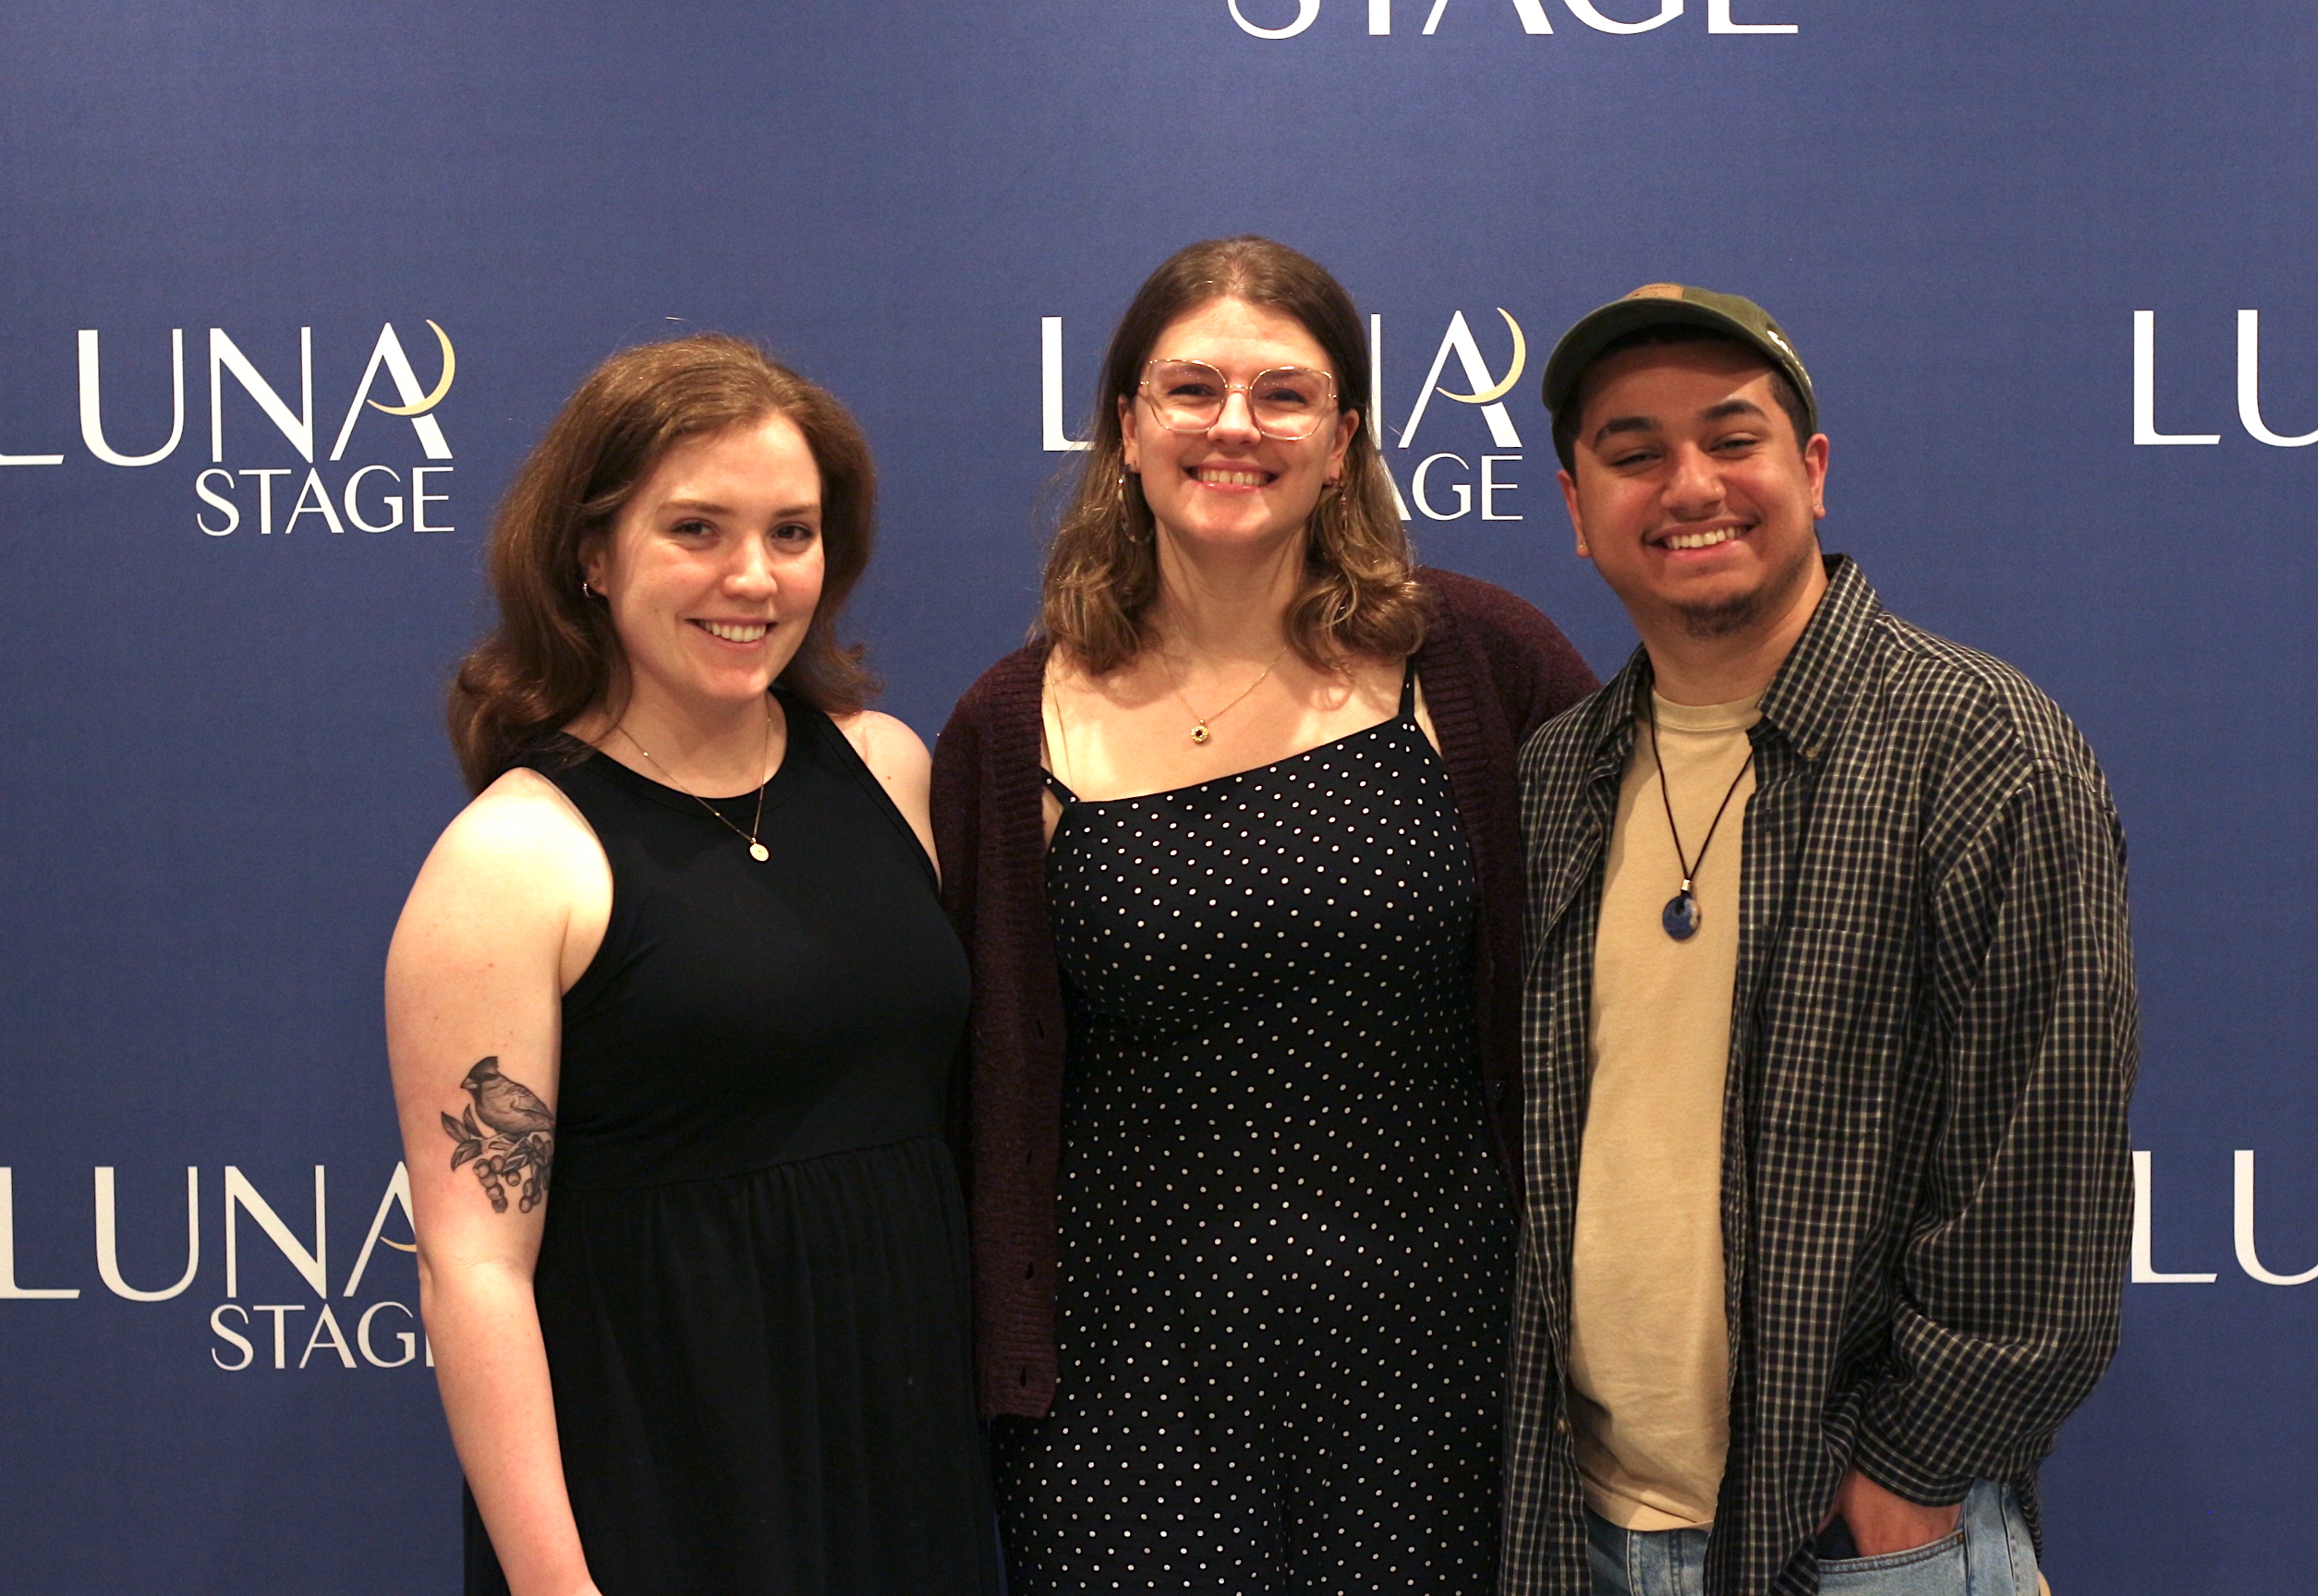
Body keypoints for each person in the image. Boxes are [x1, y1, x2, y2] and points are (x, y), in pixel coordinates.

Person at [932, 236, 1598, 1592]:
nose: (1234, 425)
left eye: (1284, 394)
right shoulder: (1009, 729)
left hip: (1443, 1369)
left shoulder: (1477, 662)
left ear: (1344, 441)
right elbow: (970, 1080)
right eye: (1191, 389)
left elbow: (1632, 947)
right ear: (1127, 429)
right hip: (1122, 1398)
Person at [1499, 284, 2137, 1596]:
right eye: (1634, 453)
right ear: (1575, 508)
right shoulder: (1556, 776)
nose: (1691, 485)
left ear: (1814, 470)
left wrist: (1909, 1475)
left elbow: (2045, 1166)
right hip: (1577, 1530)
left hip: (1861, 1543)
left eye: (1732, 440)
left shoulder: (1982, 749)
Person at [385, 335, 1001, 1596]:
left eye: (792, 533)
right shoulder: (514, 859)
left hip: (903, 1444)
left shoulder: (888, 769)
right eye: (696, 530)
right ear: (591, 554)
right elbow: (474, 1270)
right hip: (669, 1468)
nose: (753, 577)